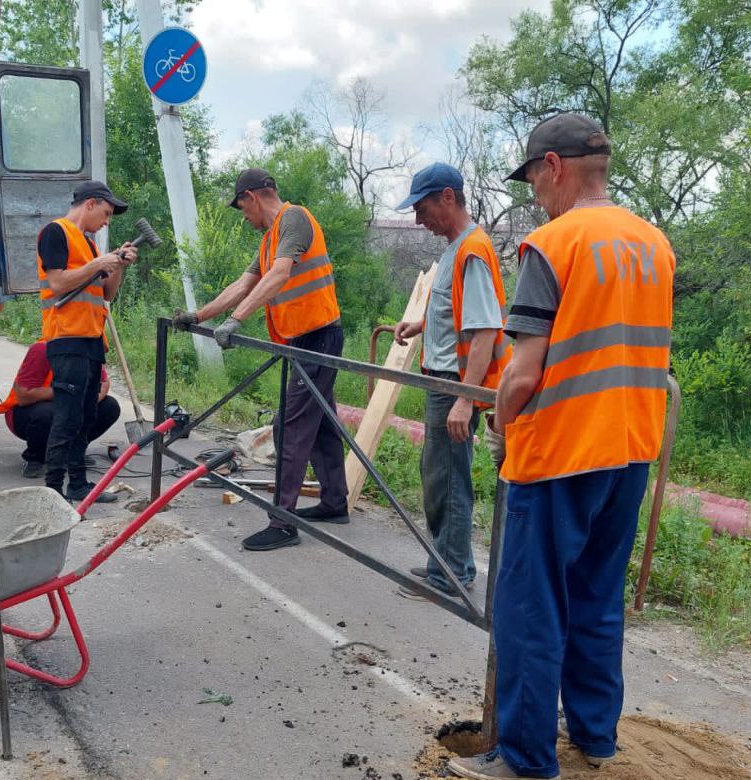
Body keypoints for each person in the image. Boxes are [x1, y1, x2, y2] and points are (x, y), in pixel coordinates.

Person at [448, 114, 675, 780]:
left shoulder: (553, 244)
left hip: (561, 453)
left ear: (554, 166)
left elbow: (521, 372)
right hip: (631, 448)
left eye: (533, 181)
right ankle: (596, 737)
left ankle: (523, 755)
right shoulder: (654, 244)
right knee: (597, 597)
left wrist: (500, 428)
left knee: (530, 602)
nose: (535, 196)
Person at [176, 168, 349, 551]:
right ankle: (335, 502)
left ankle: (283, 523)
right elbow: (244, 284)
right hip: (304, 339)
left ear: (251, 197)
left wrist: (237, 320)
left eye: (242, 209)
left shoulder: (294, 219)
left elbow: (280, 274)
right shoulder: (271, 239)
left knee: (289, 428)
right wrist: (199, 315)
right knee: (321, 423)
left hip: (319, 337)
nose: (245, 217)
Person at [392, 163, 510, 601]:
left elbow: (484, 330)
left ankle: (452, 573)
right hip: (444, 381)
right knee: (439, 475)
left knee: (448, 478)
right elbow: (458, 311)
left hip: (453, 385)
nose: (418, 221)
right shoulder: (455, 249)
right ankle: (444, 563)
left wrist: (464, 398)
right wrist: (422, 324)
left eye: (422, 209)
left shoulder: (471, 251)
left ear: (447, 197)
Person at [37, 180, 138, 503]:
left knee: (85, 417)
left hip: (92, 339)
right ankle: (53, 490)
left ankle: (78, 484)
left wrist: (117, 266)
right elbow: (57, 283)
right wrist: (98, 263)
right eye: (106, 213)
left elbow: (107, 293)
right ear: (90, 203)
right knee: (67, 417)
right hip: (67, 338)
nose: (107, 221)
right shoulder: (55, 232)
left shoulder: (90, 245)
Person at [0, 340, 121, 478]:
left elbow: (104, 383)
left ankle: (71, 452)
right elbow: (23, 396)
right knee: (48, 413)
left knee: (109, 407)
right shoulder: (42, 350)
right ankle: (36, 459)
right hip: (26, 413)